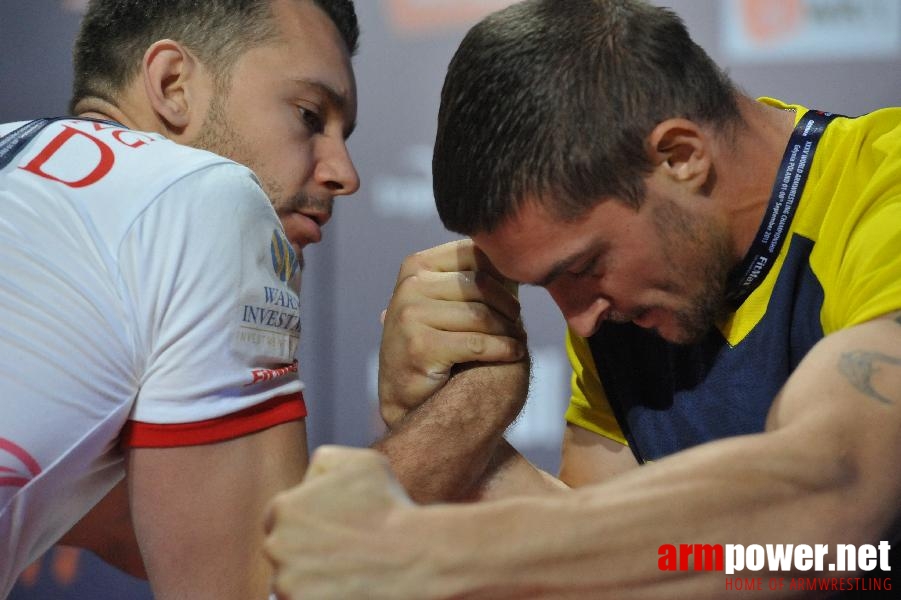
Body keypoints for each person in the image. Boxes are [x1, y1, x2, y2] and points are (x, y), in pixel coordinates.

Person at [263, 0, 901, 597]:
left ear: (680, 157)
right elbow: (619, 561)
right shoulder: (625, 301)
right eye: (551, 287)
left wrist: (433, 553)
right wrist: (452, 414)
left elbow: (841, 493)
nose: (581, 319)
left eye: (583, 268)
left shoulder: (884, 187)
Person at [0, 0, 359, 598]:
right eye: (308, 114)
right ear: (172, 85)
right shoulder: (209, 194)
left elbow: (147, 529)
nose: (344, 173)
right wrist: (444, 419)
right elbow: (259, 583)